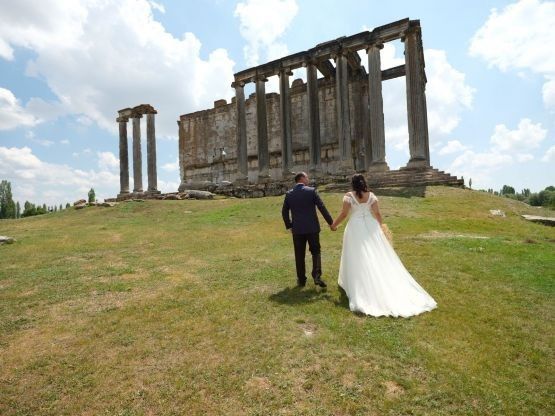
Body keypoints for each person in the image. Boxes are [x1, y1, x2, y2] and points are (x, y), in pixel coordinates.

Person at [330, 174, 437, 317]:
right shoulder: (371, 196)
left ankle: (358, 283)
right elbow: (377, 213)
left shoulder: (349, 196)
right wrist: (381, 227)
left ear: (353, 184)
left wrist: (334, 225)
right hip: (371, 226)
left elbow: (344, 214)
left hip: (355, 227)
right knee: (375, 253)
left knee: (356, 254)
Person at [282, 172, 334, 288]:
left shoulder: (289, 194)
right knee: (316, 251)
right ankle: (316, 276)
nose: (308, 179)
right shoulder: (311, 191)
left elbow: (284, 212)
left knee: (299, 254)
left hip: (297, 229)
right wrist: (331, 223)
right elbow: (322, 207)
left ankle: (301, 280)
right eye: (307, 177)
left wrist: (289, 225)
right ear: (302, 178)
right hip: (312, 228)